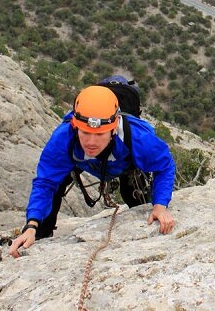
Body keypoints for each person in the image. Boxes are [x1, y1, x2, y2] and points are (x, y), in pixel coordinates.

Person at [9, 85, 176, 258]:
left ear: (113, 128)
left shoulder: (137, 138)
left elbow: (165, 166)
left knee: (135, 197)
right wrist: (31, 226)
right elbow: (46, 182)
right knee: (56, 187)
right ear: (75, 126)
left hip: (126, 166)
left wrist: (160, 206)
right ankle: (41, 234)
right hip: (84, 164)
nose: (91, 142)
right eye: (85, 133)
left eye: (99, 134)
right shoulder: (64, 138)